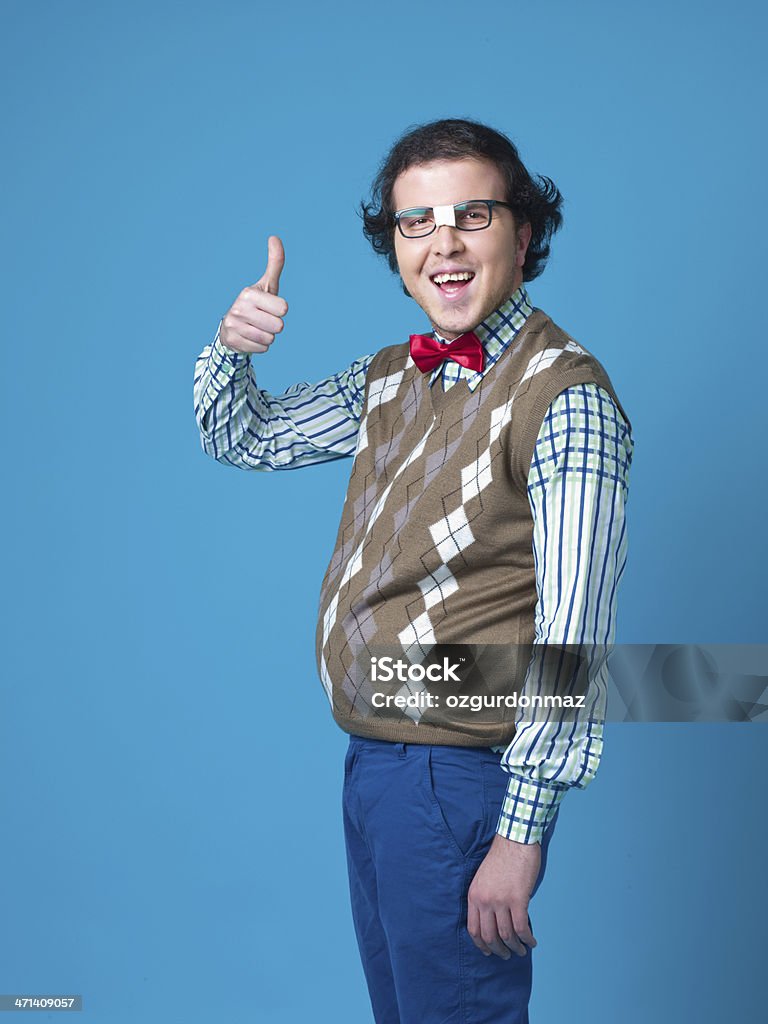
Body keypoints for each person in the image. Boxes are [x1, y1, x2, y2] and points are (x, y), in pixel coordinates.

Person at [193, 118, 633, 1023]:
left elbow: (574, 641)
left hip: (460, 779)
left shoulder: (567, 398)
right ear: (394, 245)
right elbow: (245, 436)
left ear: (524, 233)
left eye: (472, 215)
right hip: (379, 770)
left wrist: (521, 832)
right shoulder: (390, 377)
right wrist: (234, 349)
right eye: (416, 222)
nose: (445, 243)